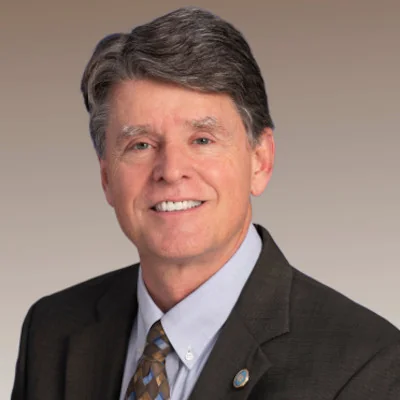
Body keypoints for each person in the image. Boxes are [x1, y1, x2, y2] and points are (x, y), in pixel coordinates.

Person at [11, 6, 400, 400]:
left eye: (202, 140)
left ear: (260, 160)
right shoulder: (52, 331)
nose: (171, 170)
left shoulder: (365, 365)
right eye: (140, 145)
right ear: (106, 177)